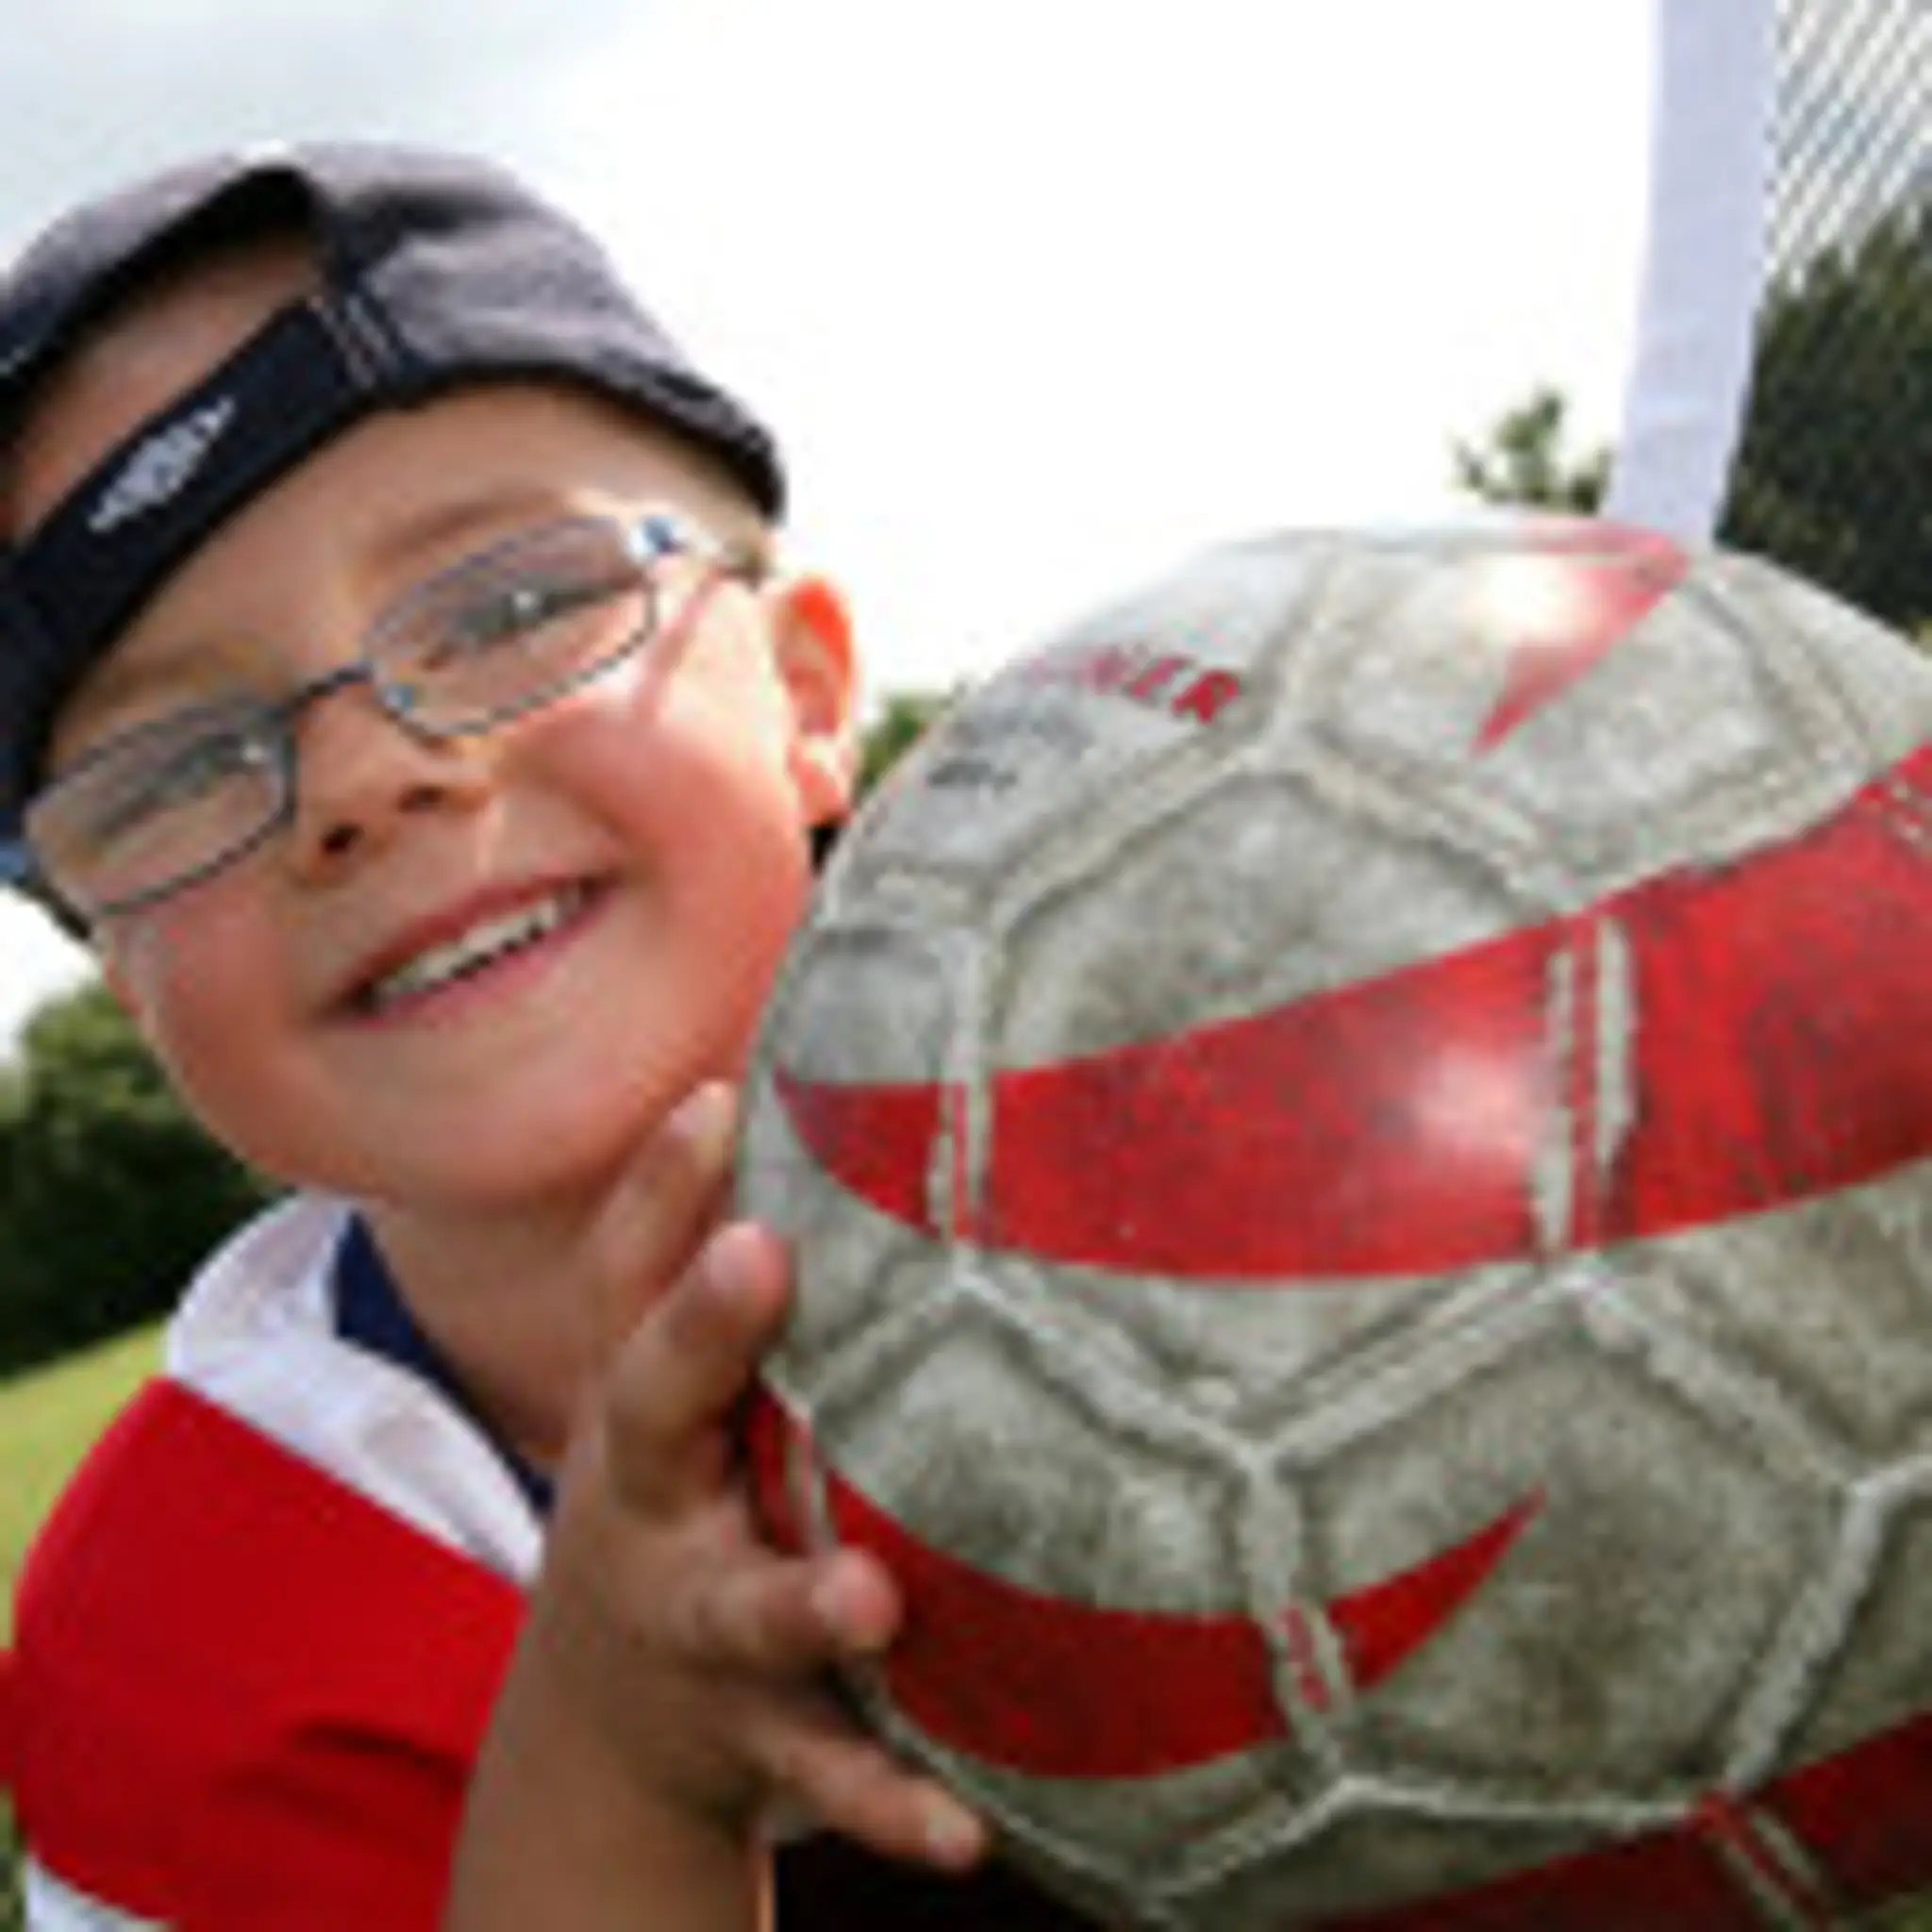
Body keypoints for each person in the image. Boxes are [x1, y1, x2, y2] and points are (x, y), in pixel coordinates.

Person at [0, 143, 1098, 1930]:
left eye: (511, 607)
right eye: (176, 769)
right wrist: (620, 1752)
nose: (362, 779)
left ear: (807, 695)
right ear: (122, 973)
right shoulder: (181, 1653)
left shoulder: (1225, 1050)